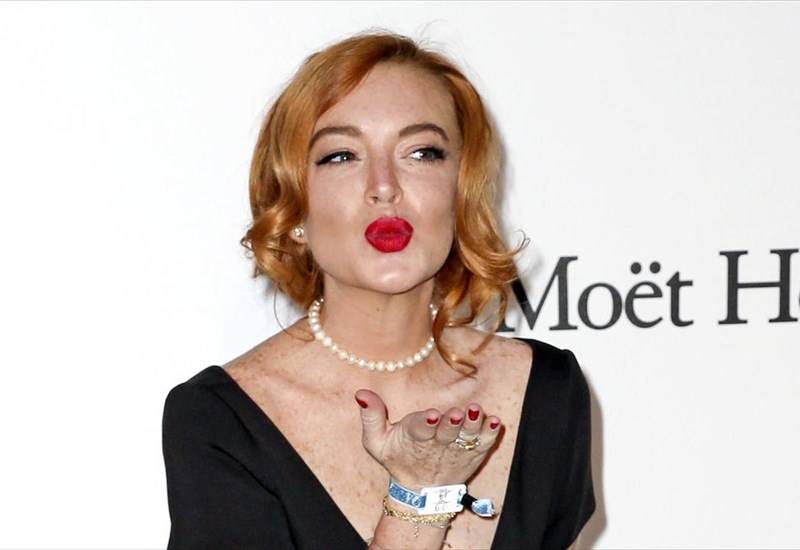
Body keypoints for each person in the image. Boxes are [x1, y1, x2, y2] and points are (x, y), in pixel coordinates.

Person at [163, 32, 595, 550]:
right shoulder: (221, 421)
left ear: (461, 191)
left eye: (422, 152)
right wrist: (419, 499)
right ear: (294, 207)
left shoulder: (545, 391)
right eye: (342, 156)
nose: (385, 186)